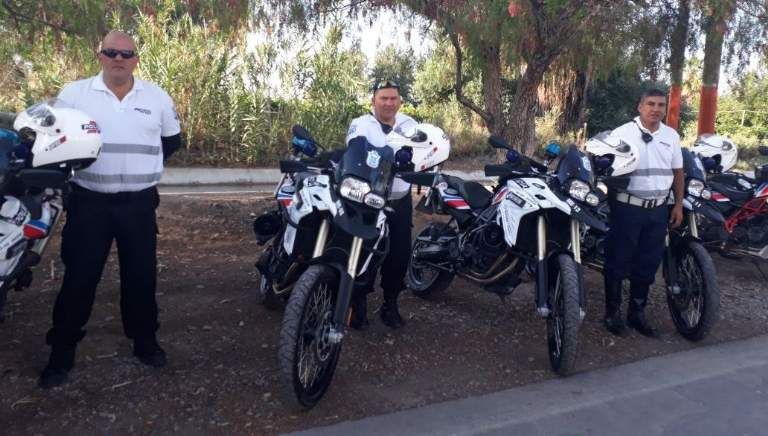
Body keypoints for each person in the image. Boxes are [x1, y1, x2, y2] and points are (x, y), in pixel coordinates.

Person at [39, 30, 182, 388]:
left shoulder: (157, 97)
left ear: (136, 59)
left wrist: (137, 168)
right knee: (79, 278)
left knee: (141, 277)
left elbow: (171, 141)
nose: (119, 58)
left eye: (126, 54)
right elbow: (54, 139)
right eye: (111, 52)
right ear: (99, 55)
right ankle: (61, 354)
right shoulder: (74, 94)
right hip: (90, 203)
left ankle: (145, 342)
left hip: (138, 205)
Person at [603, 88, 684, 338]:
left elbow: (678, 172)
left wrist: (678, 204)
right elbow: (606, 168)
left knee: (648, 263)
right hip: (627, 208)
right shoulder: (622, 133)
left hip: (658, 210)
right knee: (618, 261)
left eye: (661, 105)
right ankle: (612, 314)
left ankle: (636, 314)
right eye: (651, 104)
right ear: (640, 106)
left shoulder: (671, 135)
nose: (656, 109)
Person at [345, 80, 416, 329]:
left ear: (400, 101)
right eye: (383, 98)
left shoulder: (411, 125)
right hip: (369, 199)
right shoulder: (362, 124)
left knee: (399, 253)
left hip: (399, 199)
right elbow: (355, 149)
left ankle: (390, 303)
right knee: (364, 250)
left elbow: (423, 152)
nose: (388, 103)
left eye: (393, 98)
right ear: (373, 101)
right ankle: (358, 303)